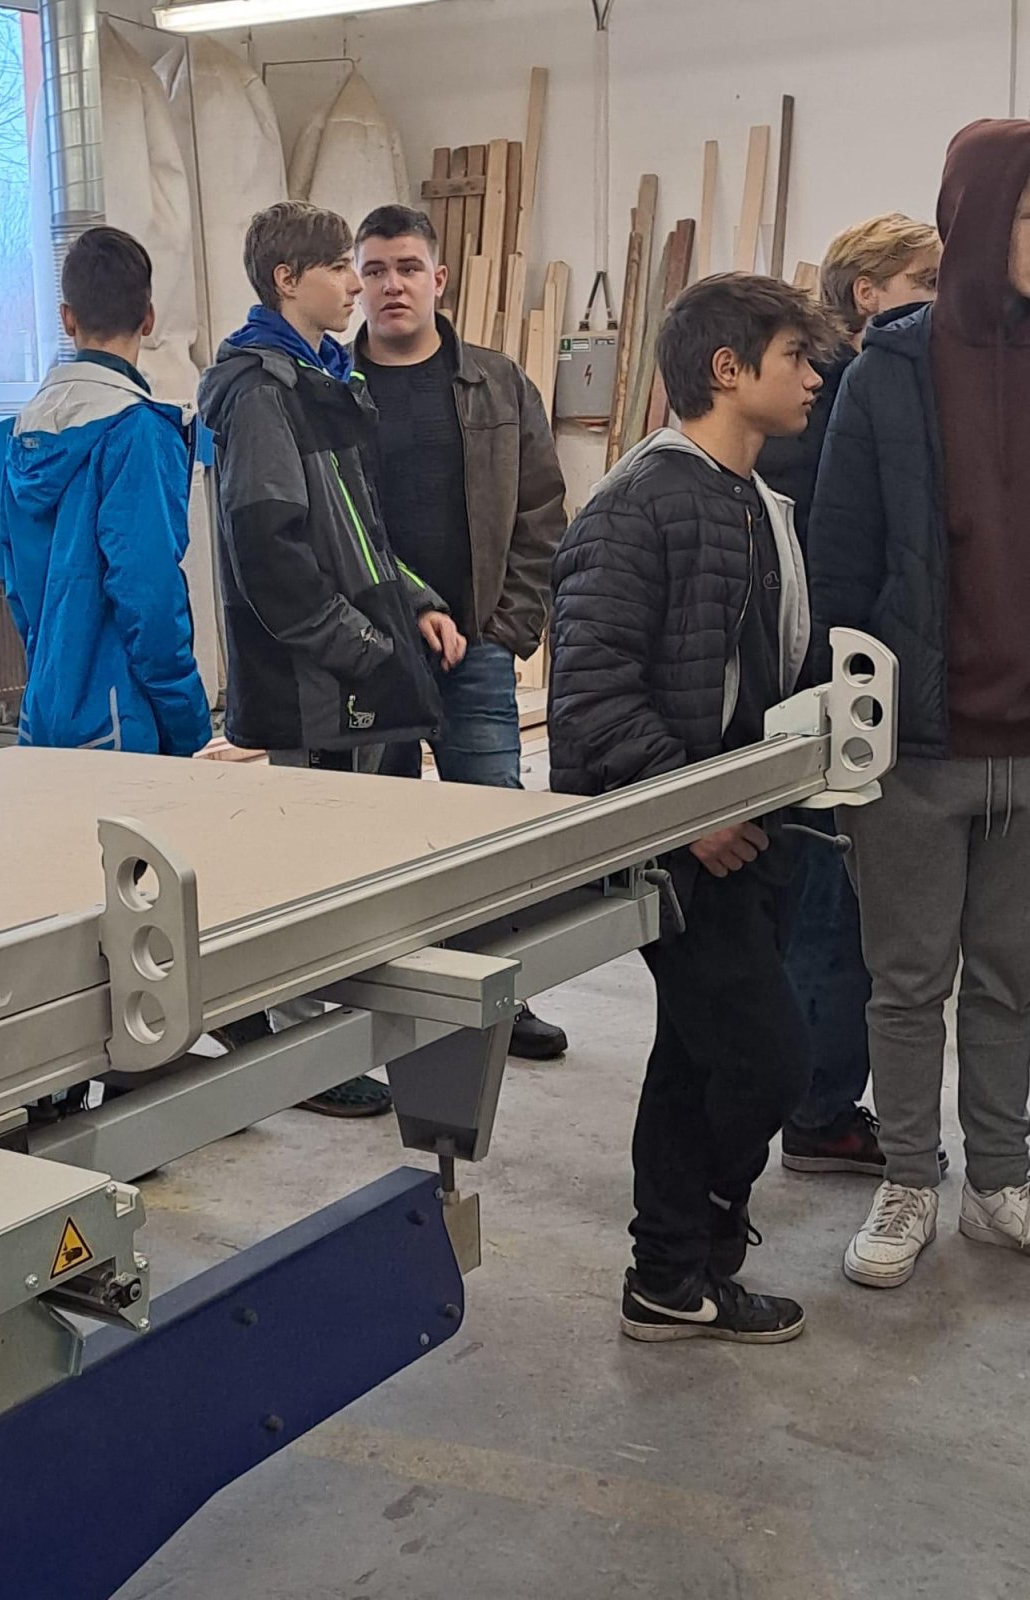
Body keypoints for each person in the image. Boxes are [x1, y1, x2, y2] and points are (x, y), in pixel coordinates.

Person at [550, 273, 839, 1343]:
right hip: (678, 842)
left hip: (750, 830)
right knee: (768, 1059)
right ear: (728, 369)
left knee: (694, 1056)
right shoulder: (641, 502)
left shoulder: (756, 501)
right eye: (795, 357)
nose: (813, 378)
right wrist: (688, 812)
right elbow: (590, 691)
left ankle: (671, 1278)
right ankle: (702, 1236)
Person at [808, 120, 1030, 1288]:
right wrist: (848, 731)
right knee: (907, 983)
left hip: (1029, 748)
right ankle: (908, 1180)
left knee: (1011, 981)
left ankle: (1000, 1179)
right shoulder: (886, 374)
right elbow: (841, 561)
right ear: (985, 218)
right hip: (915, 745)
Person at [199, 199, 462, 1118]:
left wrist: (413, 601)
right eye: (341, 268)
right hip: (314, 682)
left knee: (352, 864)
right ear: (287, 280)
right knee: (308, 867)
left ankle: (317, 1022)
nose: (358, 284)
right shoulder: (261, 393)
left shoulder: (321, 380)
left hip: (353, 669)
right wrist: (362, 648)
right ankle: (303, 1049)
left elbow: (358, 533)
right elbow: (269, 553)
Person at [352, 204, 571, 1063]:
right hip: (370, 656)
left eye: (408, 267)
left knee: (490, 826)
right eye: (375, 269)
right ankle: (395, 1005)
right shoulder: (332, 391)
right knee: (378, 835)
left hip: (475, 646)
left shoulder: (497, 383)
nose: (392, 285)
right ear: (356, 283)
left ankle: (503, 1000)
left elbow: (541, 508)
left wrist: (506, 629)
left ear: (439, 279)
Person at [756, 215, 940, 1178]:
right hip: (835, 689)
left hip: (843, 684)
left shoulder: (845, 390)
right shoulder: (839, 397)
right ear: (867, 293)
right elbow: (836, 561)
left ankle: (815, 1100)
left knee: (836, 911)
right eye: (924, 280)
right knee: (834, 912)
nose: (941, 299)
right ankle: (819, 1110)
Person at [0, 225, 211, 759]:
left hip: (45, 710)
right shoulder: (138, 430)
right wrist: (187, 721)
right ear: (149, 318)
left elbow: (19, 590)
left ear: (67, 318)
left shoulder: (23, 431)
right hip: (123, 719)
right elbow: (149, 593)